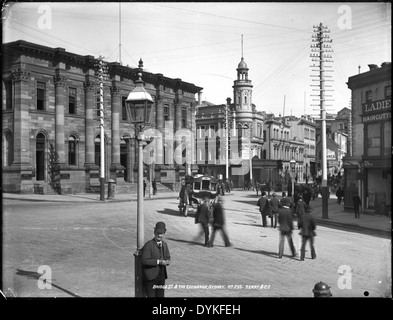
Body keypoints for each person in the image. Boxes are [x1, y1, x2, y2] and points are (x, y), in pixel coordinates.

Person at [141, 221, 171, 298]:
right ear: (154, 232)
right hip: (151, 277)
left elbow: (167, 257)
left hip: (161, 277)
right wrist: (158, 262)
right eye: (157, 233)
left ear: (164, 233)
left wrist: (168, 261)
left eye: (161, 233)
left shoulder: (165, 244)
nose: (159, 235)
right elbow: (144, 261)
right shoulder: (149, 244)